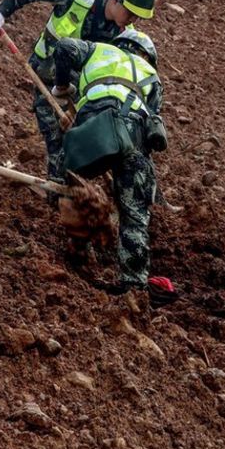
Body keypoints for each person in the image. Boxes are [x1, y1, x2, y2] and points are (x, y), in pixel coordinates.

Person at [0, 0, 157, 183]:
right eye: (131, 14)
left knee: (85, 137)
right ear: (115, 0)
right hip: (46, 74)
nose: (133, 20)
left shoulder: (125, 34)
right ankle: (60, 190)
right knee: (55, 134)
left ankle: (84, 184)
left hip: (82, 89)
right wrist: (2, 11)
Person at [50, 29, 175, 306]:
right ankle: (134, 285)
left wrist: (61, 88)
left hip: (95, 127)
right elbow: (154, 123)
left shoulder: (97, 49)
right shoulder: (151, 76)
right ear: (148, 56)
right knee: (134, 217)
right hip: (135, 134)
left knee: (67, 183)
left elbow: (65, 47)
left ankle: (75, 250)